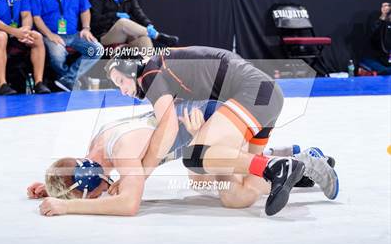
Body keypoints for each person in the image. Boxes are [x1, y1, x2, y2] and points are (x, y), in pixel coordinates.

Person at [105, 46, 339, 216]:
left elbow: (168, 130)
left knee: (196, 157)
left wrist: (137, 177)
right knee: (232, 195)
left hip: (252, 92)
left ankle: (277, 164)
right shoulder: (166, 71)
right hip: (261, 94)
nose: (123, 90)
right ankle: (303, 164)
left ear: (133, 69)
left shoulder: (151, 73)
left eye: (121, 82)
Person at [28, 99, 338, 216]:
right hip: (205, 123)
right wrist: (53, 183)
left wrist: (67, 205)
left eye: (91, 196)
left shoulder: (120, 152)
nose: (98, 198)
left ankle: (300, 167)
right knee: (200, 178)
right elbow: (78, 170)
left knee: (235, 196)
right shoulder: (97, 153)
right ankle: (291, 160)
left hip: (212, 118)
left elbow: (128, 204)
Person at [30, 0, 103, 92]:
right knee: (58, 55)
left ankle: (68, 79)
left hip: (74, 34)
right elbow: (36, 18)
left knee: (97, 49)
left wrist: (86, 28)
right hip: (50, 35)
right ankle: (68, 80)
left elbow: (84, 9)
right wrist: (50, 35)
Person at [90, 0, 179, 51]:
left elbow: (139, 14)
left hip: (127, 35)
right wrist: (114, 15)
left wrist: (149, 25)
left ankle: (149, 65)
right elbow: (95, 22)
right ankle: (157, 36)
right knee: (123, 22)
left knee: (144, 38)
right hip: (106, 36)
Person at [360, 2, 391, 75]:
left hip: (387, 61)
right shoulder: (381, 26)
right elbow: (374, 34)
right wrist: (383, 16)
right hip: (374, 60)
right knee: (386, 71)